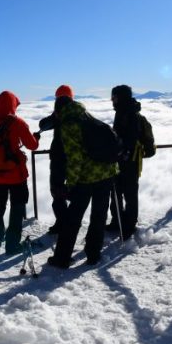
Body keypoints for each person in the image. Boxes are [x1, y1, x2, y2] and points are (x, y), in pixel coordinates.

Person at [46, 93, 119, 268]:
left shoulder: (69, 125)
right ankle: (93, 254)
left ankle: (62, 258)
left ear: (59, 110)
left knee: (73, 218)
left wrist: (70, 184)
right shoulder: (85, 116)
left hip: (86, 179)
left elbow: (75, 159)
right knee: (99, 216)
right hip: (107, 173)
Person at [0, 90, 39, 253]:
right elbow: (32, 146)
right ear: (13, 105)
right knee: (17, 207)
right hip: (17, 175)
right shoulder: (17, 123)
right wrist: (34, 138)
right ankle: (12, 244)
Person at [106, 84, 155, 241]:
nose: (112, 100)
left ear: (120, 97)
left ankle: (128, 224)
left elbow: (130, 139)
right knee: (118, 192)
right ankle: (119, 221)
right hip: (125, 159)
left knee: (127, 193)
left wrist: (122, 152)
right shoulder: (123, 112)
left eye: (114, 97)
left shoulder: (129, 114)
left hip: (129, 161)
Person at [36, 85, 73, 234]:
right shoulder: (79, 114)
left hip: (58, 159)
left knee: (57, 191)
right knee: (76, 191)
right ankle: (69, 221)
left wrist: (55, 115)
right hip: (75, 160)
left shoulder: (57, 115)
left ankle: (62, 222)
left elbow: (43, 125)